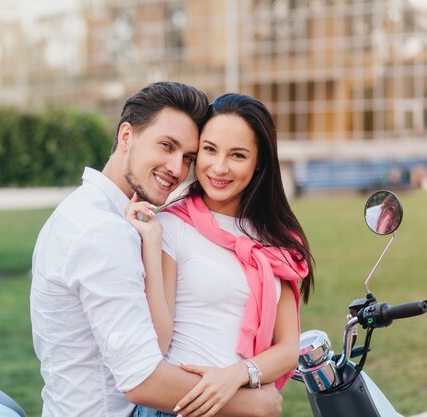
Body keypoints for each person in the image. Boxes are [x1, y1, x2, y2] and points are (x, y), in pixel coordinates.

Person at [30, 83, 283, 417]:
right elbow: (142, 379)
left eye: (188, 157)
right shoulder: (104, 231)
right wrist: (252, 404)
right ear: (126, 136)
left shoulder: (87, 211)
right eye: (166, 146)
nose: (176, 169)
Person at [126, 93, 315, 417]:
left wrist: (236, 375)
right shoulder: (173, 226)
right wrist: (153, 241)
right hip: (178, 408)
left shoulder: (273, 239)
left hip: (241, 404)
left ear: (259, 164)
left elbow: (287, 349)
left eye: (238, 155)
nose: (219, 167)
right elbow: (158, 340)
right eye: (210, 150)